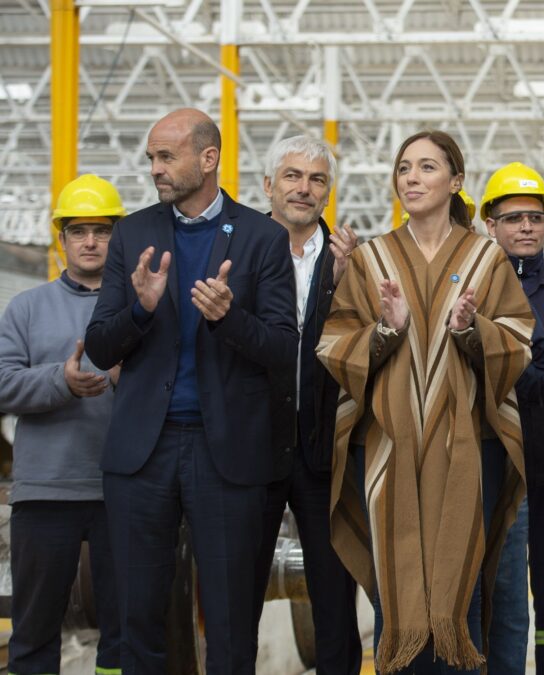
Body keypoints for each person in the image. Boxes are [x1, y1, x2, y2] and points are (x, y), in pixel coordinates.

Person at [85, 108, 297, 674]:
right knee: (137, 619)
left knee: (229, 621)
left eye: (165, 156)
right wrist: (140, 308)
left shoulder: (263, 238)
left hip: (223, 452)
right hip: (141, 455)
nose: (154, 168)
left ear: (208, 159)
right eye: (152, 157)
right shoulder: (132, 234)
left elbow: (283, 348)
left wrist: (228, 319)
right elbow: (100, 347)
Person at [316, 130, 534, 674]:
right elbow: (334, 342)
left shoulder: (487, 258)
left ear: (456, 181)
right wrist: (386, 333)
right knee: (397, 583)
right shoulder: (372, 260)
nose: (411, 178)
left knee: (464, 587)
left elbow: (520, 339)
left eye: (427, 168)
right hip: (389, 447)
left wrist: (471, 331)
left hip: (469, 448)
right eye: (404, 168)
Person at [0, 174, 128, 675]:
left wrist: (128, 378)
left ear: (116, 237)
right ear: (62, 239)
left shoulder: (138, 309)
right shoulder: (26, 309)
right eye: (79, 231)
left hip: (123, 490)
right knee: (34, 632)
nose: (91, 241)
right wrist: (62, 381)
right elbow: (3, 384)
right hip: (44, 492)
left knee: (124, 632)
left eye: (101, 230)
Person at [252, 135, 362, 672]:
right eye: (292, 176)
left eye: (317, 180)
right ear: (268, 185)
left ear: (328, 192)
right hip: (248, 451)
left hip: (324, 453)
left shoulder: (350, 264)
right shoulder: (238, 251)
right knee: (234, 600)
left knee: (334, 595)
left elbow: (356, 351)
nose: (304, 188)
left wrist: (347, 289)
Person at [481, 162, 544, 674]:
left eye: (535, 218)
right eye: (514, 217)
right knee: (495, 590)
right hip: (493, 465)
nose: (526, 227)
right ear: (490, 225)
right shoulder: (473, 295)